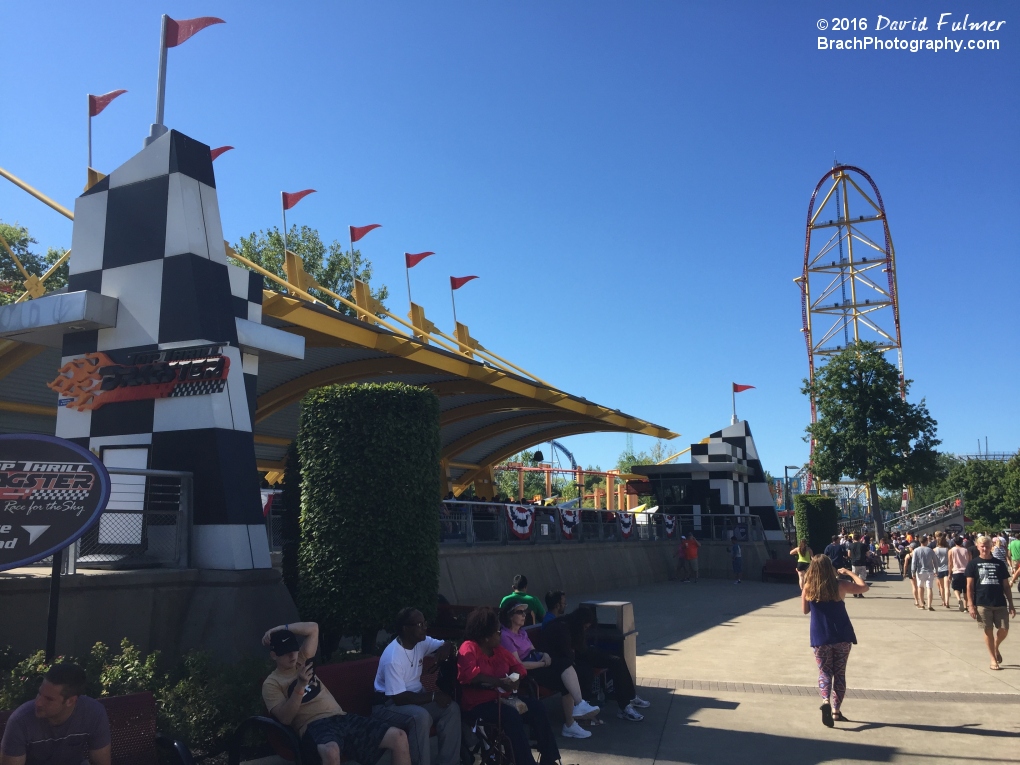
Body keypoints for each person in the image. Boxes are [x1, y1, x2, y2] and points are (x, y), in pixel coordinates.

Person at [262, 622, 410, 765]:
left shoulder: (302, 660)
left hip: (340, 717)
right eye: (285, 653)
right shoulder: (272, 683)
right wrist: (300, 686)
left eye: (293, 649)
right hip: (313, 726)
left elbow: (313, 628)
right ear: (274, 655)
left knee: (399, 737)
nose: (292, 656)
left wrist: (281, 628)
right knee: (331, 751)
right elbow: (285, 718)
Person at [457, 607, 560, 765]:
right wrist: (498, 682)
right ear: (485, 637)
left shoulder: (498, 650)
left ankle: (549, 758)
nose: (500, 634)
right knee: (511, 716)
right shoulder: (469, 648)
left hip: (503, 698)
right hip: (478, 704)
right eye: (497, 632)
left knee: (537, 707)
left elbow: (518, 667)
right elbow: (470, 675)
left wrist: (515, 679)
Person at [372, 609, 460, 765]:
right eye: (420, 624)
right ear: (406, 629)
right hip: (388, 705)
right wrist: (434, 696)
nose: (425, 627)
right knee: (420, 717)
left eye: (425, 623)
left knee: (451, 708)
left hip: (415, 698)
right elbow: (399, 698)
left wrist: (447, 646)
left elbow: (445, 645)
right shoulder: (393, 657)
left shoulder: (421, 642)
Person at [499, 603, 598, 738]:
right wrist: (541, 664)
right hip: (525, 673)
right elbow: (518, 664)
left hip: (537, 663)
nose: (524, 615)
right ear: (510, 616)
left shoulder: (522, 633)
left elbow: (533, 651)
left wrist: (543, 655)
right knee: (565, 675)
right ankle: (573, 718)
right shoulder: (506, 636)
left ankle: (577, 710)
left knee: (566, 665)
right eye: (520, 612)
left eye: (525, 612)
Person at [542, 605, 650, 722]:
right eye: (585, 627)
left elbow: (579, 649)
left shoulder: (572, 625)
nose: (585, 630)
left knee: (617, 659)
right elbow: (566, 653)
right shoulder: (562, 628)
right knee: (587, 670)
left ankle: (630, 697)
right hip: (566, 660)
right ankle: (624, 706)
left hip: (579, 654)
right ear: (581, 623)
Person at [801, 555, 868, 726]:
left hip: (820, 636)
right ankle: (836, 711)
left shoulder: (808, 587)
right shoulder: (840, 585)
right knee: (839, 673)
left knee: (824, 672)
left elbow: (805, 611)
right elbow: (864, 587)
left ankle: (825, 701)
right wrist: (848, 572)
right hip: (841, 635)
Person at [0, 663, 110, 765]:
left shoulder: (93, 713)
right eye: (39, 693)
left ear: (70, 701)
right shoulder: (21, 721)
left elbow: (102, 762)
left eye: (49, 699)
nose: (38, 702)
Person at [966, 536, 1016, 671]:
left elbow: (1006, 586)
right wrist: (971, 605)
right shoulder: (973, 564)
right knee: (988, 630)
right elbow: (969, 586)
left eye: (987, 546)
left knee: (1004, 629)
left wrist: (1011, 604)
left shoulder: (999, 564)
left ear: (991, 547)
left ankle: (995, 646)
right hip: (982, 602)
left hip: (999, 602)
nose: (984, 548)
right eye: (982, 546)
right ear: (977, 547)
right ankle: (993, 658)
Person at [911, 536, 938, 611]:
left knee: (920, 587)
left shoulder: (916, 550)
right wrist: (936, 570)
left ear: (920, 542)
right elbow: (935, 561)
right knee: (929, 588)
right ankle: (929, 605)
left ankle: (922, 604)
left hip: (920, 571)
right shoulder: (930, 550)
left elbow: (914, 562)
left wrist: (913, 571)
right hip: (930, 571)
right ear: (926, 541)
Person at [949, 536, 971, 612]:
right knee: (965, 590)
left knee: (956, 588)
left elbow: (950, 563)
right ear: (962, 542)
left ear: (954, 542)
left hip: (956, 571)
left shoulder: (952, 550)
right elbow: (970, 561)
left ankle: (959, 599)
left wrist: (949, 573)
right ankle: (965, 607)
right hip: (966, 571)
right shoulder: (966, 550)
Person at [934, 533, 951, 609]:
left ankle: (943, 601)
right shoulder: (948, 550)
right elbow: (950, 561)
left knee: (941, 587)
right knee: (947, 587)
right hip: (947, 569)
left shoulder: (935, 550)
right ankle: (947, 602)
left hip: (939, 569)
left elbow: (933, 560)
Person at [849, 533, 869, 598]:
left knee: (854, 578)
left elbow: (849, 554)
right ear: (860, 538)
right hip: (862, 563)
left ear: (853, 538)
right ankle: (860, 593)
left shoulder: (851, 545)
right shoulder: (863, 545)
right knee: (861, 579)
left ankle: (854, 592)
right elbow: (867, 554)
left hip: (854, 563)